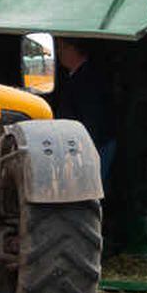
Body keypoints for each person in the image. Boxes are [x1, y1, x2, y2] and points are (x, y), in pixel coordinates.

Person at [54, 38, 116, 187]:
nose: (58, 53)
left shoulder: (87, 78)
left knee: (90, 190)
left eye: (62, 48)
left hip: (93, 146)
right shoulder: (76, 76)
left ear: (73, 50)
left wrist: (84, 153)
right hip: (87, 145)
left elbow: (91, 118)